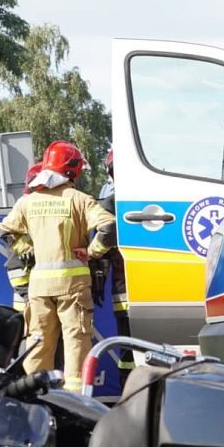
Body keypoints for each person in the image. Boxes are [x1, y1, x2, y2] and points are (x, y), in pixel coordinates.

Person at [0, 140, 116, 389]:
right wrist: (92, 252)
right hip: (73, 287)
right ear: (73, 170)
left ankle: (35, 398)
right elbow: (109, 227)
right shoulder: (80, 200)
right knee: (76, 343)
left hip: (39, 288)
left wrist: (26, 250)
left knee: (38, 344)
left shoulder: (27, 202)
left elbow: (6, 230)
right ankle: (74, 402)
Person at [94, 148, 135, 387]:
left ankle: (129, 390)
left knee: (128, 346)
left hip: (125, 289)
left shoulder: (109, 204)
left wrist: (96, 269)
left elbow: (103, 247)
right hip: (137, 290)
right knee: (129, 348)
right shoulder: (153, 199)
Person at [4, 163, 44, 319]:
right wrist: (28, 297)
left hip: (40, 299)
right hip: (29, 303)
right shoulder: (25, 208)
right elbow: (14, 266)